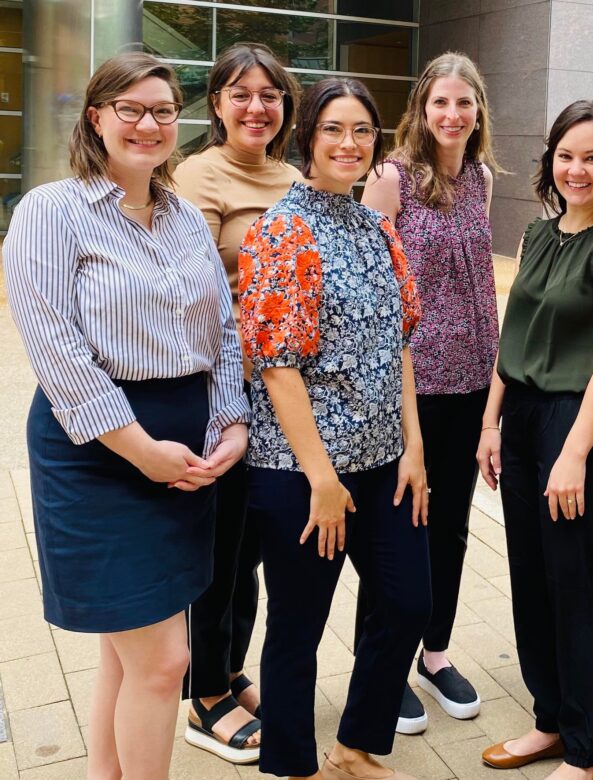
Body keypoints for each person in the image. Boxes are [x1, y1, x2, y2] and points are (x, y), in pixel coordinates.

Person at [3, 52, 249, 780]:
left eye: (164, 111)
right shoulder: (51, 211)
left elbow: (224, 331)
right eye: (131, 109)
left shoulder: (181, 220)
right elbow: (56, 349)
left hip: (187, 438)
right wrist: (139, 448)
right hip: (98, 447)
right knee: (165, 658)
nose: (149, 124)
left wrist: (231, 422)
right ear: (96, 117)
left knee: (127, 647)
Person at [239, 76, 430, 780]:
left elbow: (401, 343)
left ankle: (354, 747)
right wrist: (320, 477)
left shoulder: (381, 228)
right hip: (302, 471)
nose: (350, 144)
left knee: (410, 601)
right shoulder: (281, 230)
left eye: (362, 131)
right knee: (299, 625)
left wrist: (414, 448)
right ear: (307, 139)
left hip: (385, 463)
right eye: (333, 130)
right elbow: (277, 364)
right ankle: (294, 767)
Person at [476, 100, 593, 780]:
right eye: (567, 156)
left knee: (577, 588)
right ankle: (548, 720)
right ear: (551, 162)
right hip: (519, 418)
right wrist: (490, 423)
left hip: (579, 426)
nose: (577, 169)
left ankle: (587, 754)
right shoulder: (538, 233)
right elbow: (510, 336)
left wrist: (573, 452)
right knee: (531, 581)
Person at [360, 51, 501, 733]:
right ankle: (378, 661)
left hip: (474, 381)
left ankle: (434, 654)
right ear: (422, 108)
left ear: (478, 113)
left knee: (451, 527)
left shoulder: (480, 179)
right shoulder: (392, 179)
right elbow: (367, 287)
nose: (452, 115)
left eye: (464, 104)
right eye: (441, 102)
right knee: (399, 527)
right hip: (412, 385)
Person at [174, 41, 302, 764]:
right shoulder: (197, 175)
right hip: (222, 391)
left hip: (286, 396)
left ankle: (228, 669)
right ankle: (204, 696)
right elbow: (191, 291)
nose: (258, 107)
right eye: (242, 93)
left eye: (271, 95)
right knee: (219, 550)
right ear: (218, 103)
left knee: (254, 547)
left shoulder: (295, 176)